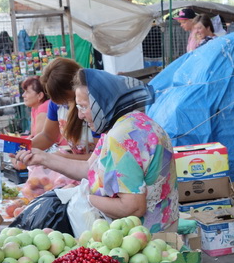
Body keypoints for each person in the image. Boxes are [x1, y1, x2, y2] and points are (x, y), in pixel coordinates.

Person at [16, 69, 178, 233]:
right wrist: (43, 157)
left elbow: (133, 207)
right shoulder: (129, 123)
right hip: (162, 229)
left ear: (103, 102)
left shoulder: (121, 137)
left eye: (84, 107)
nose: (79, 115)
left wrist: (87, 198)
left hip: (147, 239)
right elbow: (88, 168)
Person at [30, 57, 90, 157]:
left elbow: (100, 155)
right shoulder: (56, 104)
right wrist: (24, 147)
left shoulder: (91, 105)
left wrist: (62, 158)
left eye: (66, 98)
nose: (63, 104)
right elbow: (48, 136)